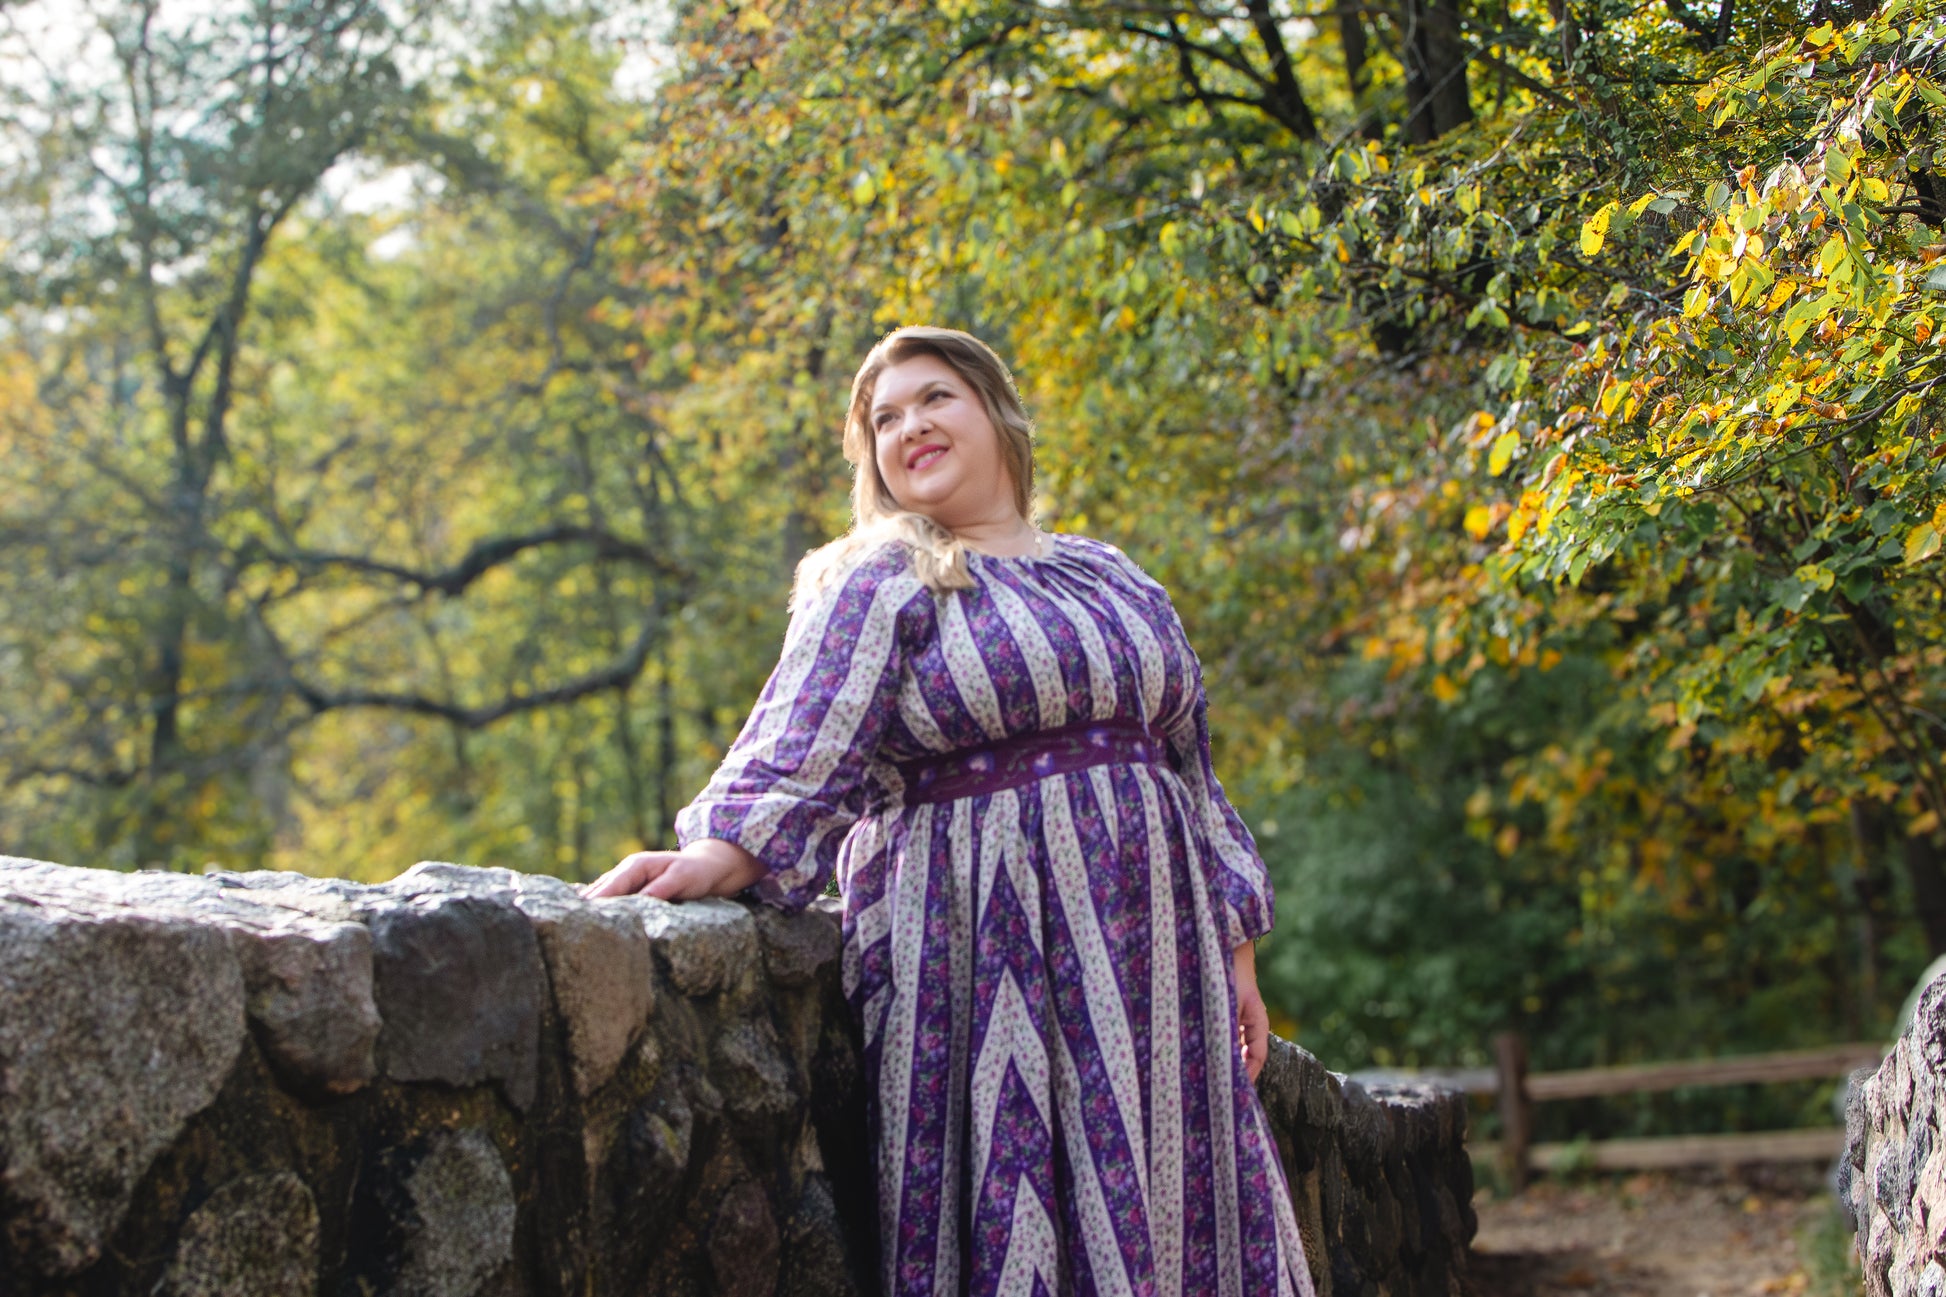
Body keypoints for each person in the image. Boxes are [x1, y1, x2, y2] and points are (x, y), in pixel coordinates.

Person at [583, 326, 1315, 1297]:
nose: (907, 426)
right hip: (982, 948)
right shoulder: (882, 577)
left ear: (996, 413)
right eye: (882, 419)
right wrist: (717, 853)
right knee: (1020, 1212)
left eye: (933, 398)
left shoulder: (1114, 576)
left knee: (1182, 1201)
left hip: (1156, 964)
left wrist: (1234, 953)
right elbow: (802, 738)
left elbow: (1190, 770)